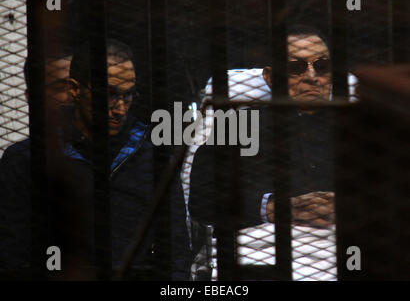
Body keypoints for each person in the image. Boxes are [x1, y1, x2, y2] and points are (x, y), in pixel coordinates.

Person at [0, 39, 190, 280]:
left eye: (128, 96)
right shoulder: (26, 159)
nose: (120, 108)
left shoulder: (152, 157)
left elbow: (176, 252)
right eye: (110, 95)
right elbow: (12, 255)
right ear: (75, 89)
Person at [188, 25, 336, 279]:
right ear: (269, 77)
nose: (312, 76)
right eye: (296, 67)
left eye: (321, 66)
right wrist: (272, 207)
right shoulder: (242, 125)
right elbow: (202, 197)